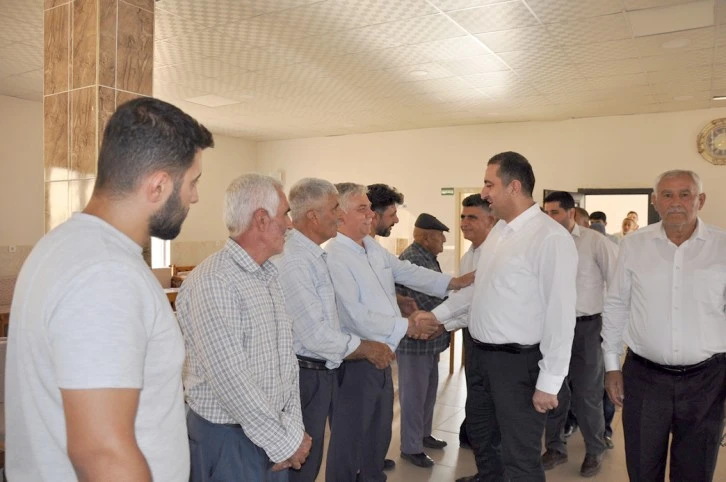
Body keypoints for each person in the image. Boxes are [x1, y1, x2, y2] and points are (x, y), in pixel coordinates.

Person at [5, 97, 214, 481]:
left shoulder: (63, 246)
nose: (195, 196)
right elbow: (101, 452)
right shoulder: (106, 274)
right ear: (158, 186)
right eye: (193, 181)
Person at [432, 151, 578, 482]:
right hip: (481, 358)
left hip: (517, 365)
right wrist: (436, 316)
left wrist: (549, 383)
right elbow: (478, 290)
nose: (484, 193)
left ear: (514, 187)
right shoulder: (499, 232)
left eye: (489, 184)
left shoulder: (550, 238)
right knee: (483, 438)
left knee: (520, 456)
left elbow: (560, 315)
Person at [324, 182, 474, 482]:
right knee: (349, 438)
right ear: (340, 214)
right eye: (362, 209)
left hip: (382, 353)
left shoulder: (370, 247)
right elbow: (356, 315)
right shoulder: (335, 256)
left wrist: (453, 282)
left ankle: (372, 476)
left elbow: (406, 272)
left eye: (370, 208)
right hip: (357, 359)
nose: (370, 215)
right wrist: (409, 325)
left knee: (378, 432)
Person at [177, 174, 311, 481]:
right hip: (228, 440)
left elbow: (286, 363)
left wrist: (292, 429)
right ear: (261, 220)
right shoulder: (215, 281)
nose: (290, 224)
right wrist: (286, 442)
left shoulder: (267, 276)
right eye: (285, 214)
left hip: (271, 434)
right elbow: (232, 382)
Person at [603, 170, 726, 481]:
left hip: (708, 381)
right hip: (645, 378)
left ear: (701, 200)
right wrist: (612, 366)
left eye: (685, 194)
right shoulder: (634, 245)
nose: (676, 202)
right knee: (643, 468)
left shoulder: (722, 246)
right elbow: (616, 305)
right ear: (655, 201)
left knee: (696, 470)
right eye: (667, 195)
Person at [276, 178, 395, 482]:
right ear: (313, 216)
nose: (339, 216)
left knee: (311, 457)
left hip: (321, 370)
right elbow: (315, 335)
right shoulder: (296, 260)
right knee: (300, 462)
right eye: (334, 209)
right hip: (305, 373)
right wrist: (366, 347)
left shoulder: (314, 255)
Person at [542, 191, 618, 477]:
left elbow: (618, 284)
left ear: (571, 213)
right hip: (551, 328)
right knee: (552, 390)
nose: (550, 218)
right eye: (546, 213)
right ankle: (555, 448)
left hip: (586, 327)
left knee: (587, 394)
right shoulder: (543, 243)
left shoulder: (595, 242)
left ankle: (595, 450)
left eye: (555, 212)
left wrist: (613, 330)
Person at [395, 213, 453, 468]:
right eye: (440, 236)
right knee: (414, 396)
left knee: (428, 392)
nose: (444, 241)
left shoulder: (426, 256)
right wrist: (451, 310)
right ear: (428, 237)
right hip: (415, 342)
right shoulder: (413, 258)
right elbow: (427, 301)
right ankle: (411, 447)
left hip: (429, 341)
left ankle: (423, 434)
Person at [457, 194, 498, 450]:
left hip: (494, 341)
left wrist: (438, 321)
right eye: (463, 216)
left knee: (492, 395)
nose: (464, 223)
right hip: (471, 334)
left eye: (472, 217)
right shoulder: (468, 255)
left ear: (490, 221)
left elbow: (474, 300)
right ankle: (475, 435)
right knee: (475, 387)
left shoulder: (496, 254)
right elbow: (462, 298)